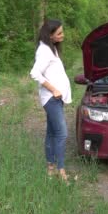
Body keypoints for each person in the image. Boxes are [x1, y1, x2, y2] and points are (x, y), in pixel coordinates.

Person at [30, 19, 72, 182]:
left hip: (55, 99)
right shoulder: (45, 51)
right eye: (59, 33)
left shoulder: (49, 48)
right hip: (51, 99)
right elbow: (35, 73)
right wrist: (54, 89)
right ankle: (61, 172)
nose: (63, 35)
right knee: (62, 133)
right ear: (50, 35)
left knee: (52, 133)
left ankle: (50, 169)